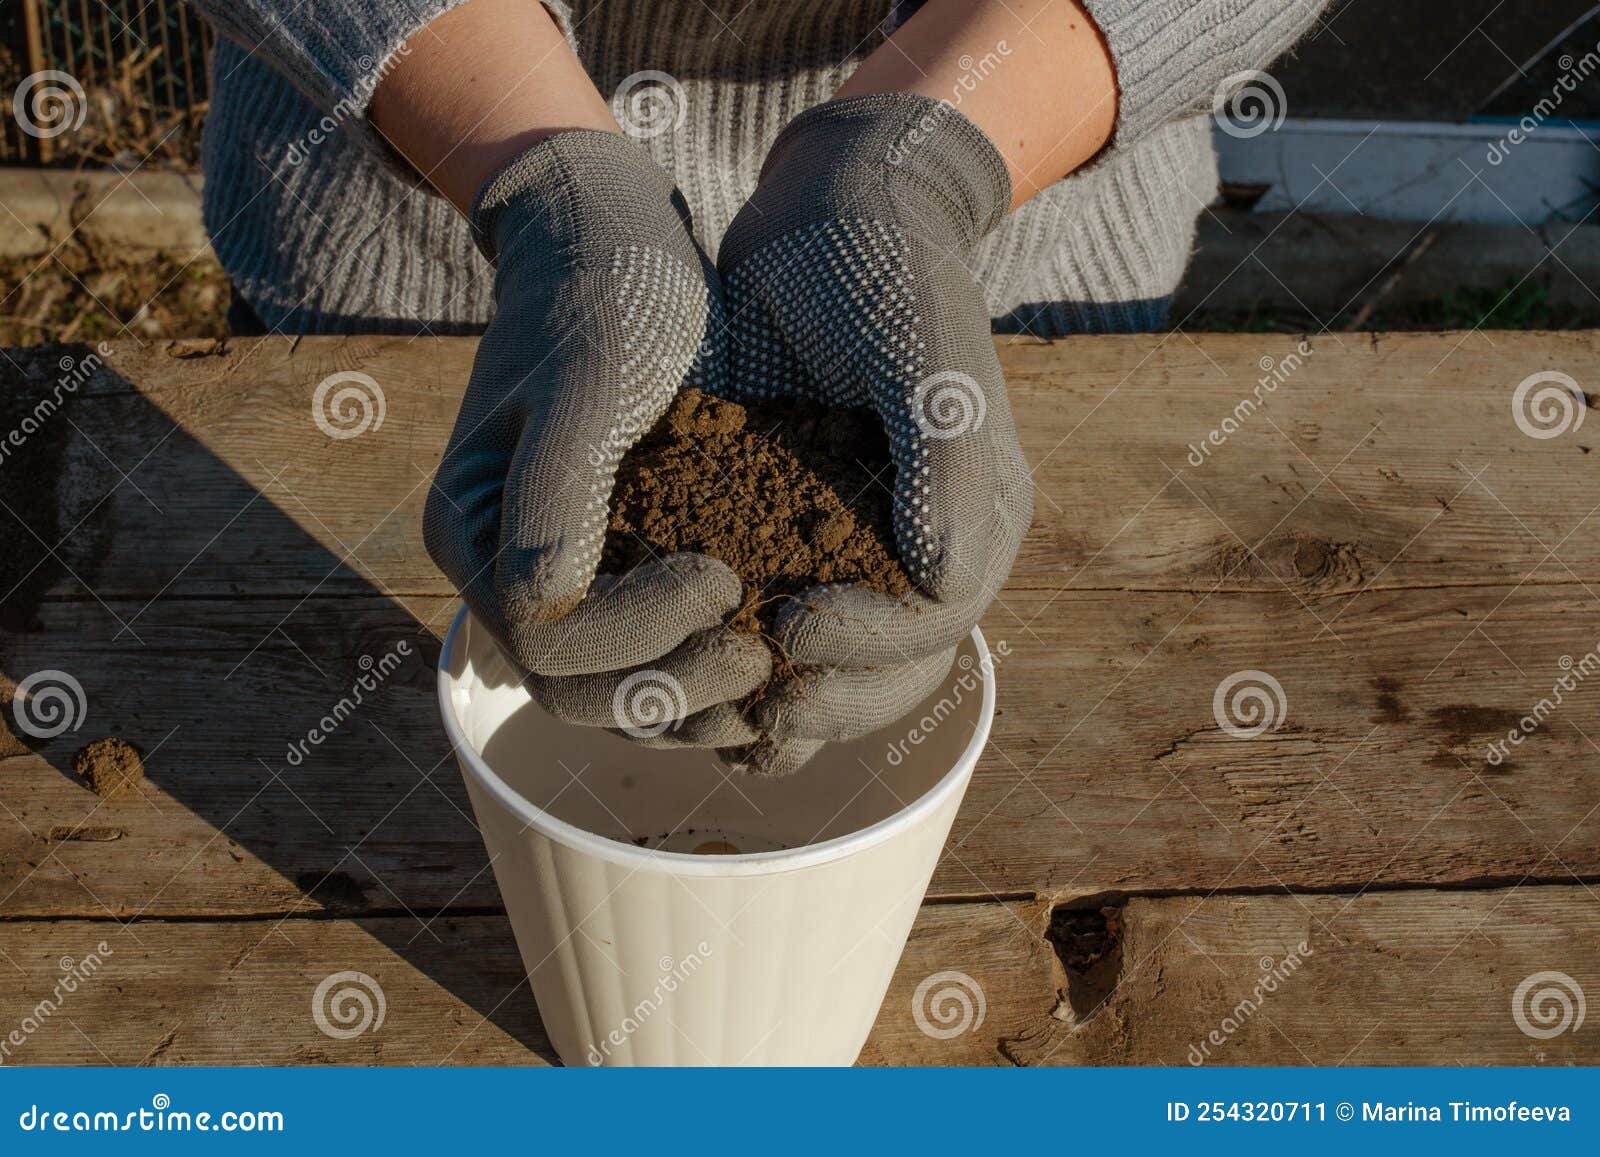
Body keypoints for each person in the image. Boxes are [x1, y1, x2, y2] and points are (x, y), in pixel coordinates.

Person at [191, 0, 1326, 774]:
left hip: (998, 248)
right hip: (428, 233)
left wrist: (921, 162)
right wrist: (548, 184)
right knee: (327, 726)